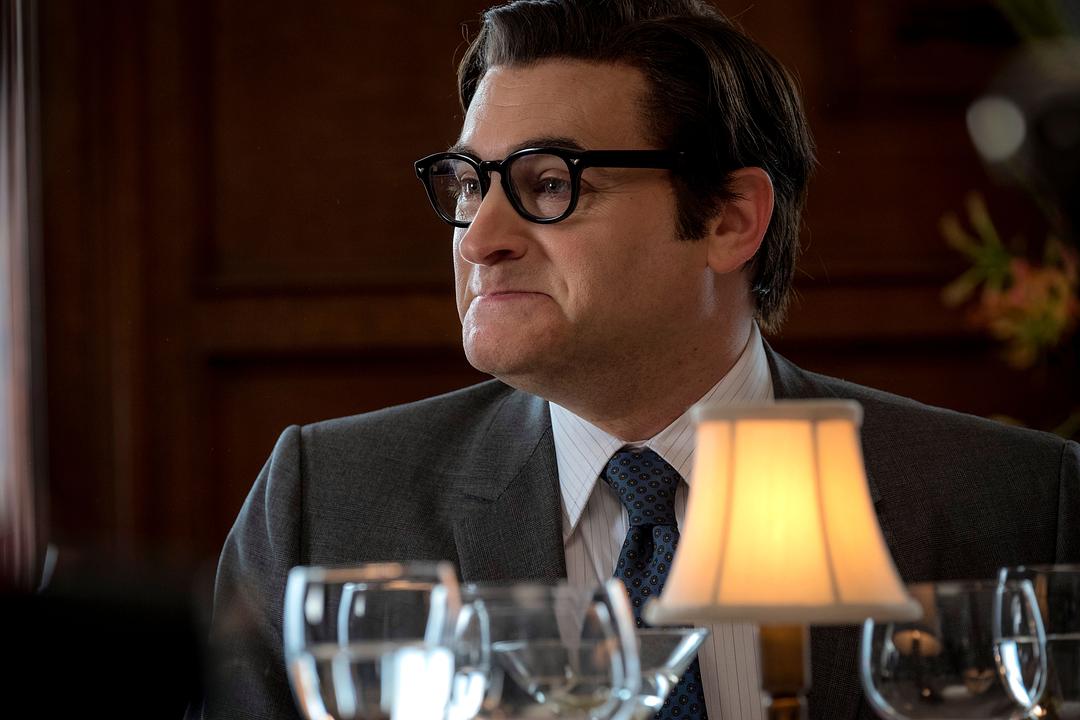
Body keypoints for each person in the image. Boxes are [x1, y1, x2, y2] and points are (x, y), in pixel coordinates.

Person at [198, 1, 1080, 719]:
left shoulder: (1016, 503)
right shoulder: (326, 505)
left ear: (731, 218)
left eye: (549, 184)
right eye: (468, 185)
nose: (478, 238)